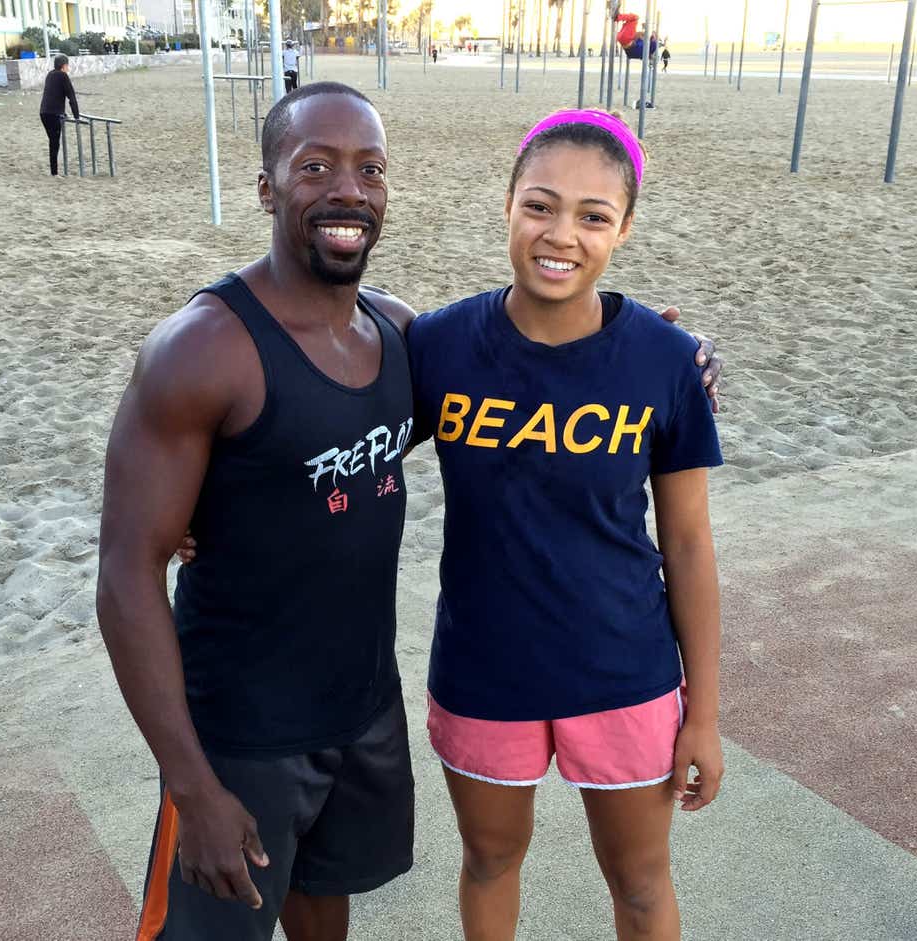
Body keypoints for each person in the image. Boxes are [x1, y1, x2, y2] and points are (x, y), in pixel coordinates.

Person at [99, 83, 723, 941]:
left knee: (338, 913)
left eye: (369, 168)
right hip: (290, 715)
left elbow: (528, 397)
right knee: (231, 923)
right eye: (314, 166)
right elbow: (133, 566)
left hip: (390, 704)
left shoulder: (406, 335)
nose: (346, 188)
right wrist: (190, 780)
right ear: (267, 186)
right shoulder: (256, 348)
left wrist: (663, 354)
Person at [410, 108, 723, 941]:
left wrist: (706, 711)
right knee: (488, 861)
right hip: (486, 667)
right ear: (508, 205)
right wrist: (205, 511)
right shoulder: (438, 347)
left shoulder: (665, 361)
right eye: (540, 205)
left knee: (641, 881)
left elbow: (688, 543)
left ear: (623, 229)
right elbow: (334, 422)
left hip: (624, 668)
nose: (562, 235)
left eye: (593, 216)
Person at [39, 55, 80, 177]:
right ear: (64, 66)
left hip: (44, 112)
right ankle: (54, 173)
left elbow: (55, 94)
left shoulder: (50, 75)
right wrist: (76, 116)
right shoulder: (63, 76)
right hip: (53, 114)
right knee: (54, 142)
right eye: (67, 65)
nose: (68, 68)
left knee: (53, 141)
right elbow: (71, 96)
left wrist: (64, 112)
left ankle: (54, 171)